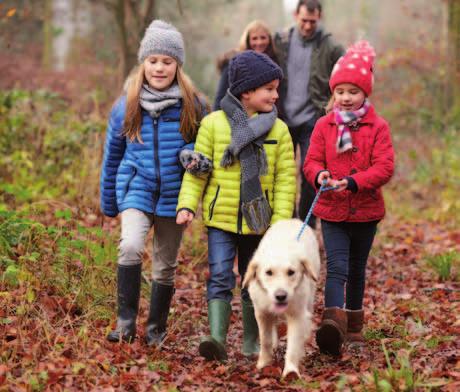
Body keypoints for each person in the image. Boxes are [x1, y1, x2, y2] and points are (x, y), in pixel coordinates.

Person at [176, 51, 296, 361]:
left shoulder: (279, 130)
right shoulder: (213, 125)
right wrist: (187, 205)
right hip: (221, 219)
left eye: (276, 88)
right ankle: (216, 339)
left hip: (260, 222)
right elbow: (197, 170)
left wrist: (281, 223)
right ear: (246, 91)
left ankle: (252, 342)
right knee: (218, 275)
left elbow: (285, 181)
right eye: (268, 88)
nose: (275, 94)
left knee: (253, 278)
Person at [100, 20, 208, 347]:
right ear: (143, 63)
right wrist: (108, 200)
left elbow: (205, 146)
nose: (159, 68)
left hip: (175, 195)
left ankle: (155, 328)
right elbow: (113, 154)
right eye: (153, 61)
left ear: (178, 65)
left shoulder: (194, 104)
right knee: (131, 244)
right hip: (137, 188)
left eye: (167, 61)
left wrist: (192, 155)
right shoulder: (127, 104)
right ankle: (125, 321)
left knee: (165, 265)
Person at [303, 41, 394, 356]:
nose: (345, 97)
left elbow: (384, 167)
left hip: (366, 211)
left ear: (365, 94)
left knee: (357, 268)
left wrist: (354, 182)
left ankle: (353, 326)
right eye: (339, 91)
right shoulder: (324, 126)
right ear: (333, 93)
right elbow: (311, 161)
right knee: (337, 266)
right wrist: (320, 176)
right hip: (332, 211)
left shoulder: (377, 126)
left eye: (352, 91)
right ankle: (332, 324)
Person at [274, 0, 344, 227]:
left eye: (312, 22)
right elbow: (257, 52)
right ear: (296, 15)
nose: (307, 26)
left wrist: (334, 100)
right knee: (283, 172)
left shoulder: (330, 45)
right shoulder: (281, 41)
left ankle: (305, 223)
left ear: (319, 18)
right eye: (304, 20)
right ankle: (287, 220)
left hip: (313, 118)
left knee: (310, 173)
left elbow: (347, 70)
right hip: (282, 116)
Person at [213, 20, 279, 111]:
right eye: (254, 38)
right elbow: (220, 97)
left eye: (263, 37)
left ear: (269, 39)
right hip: (237, 116)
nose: (259, 42)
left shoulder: (274, 66)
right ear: (247, 40)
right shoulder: (235, 63)